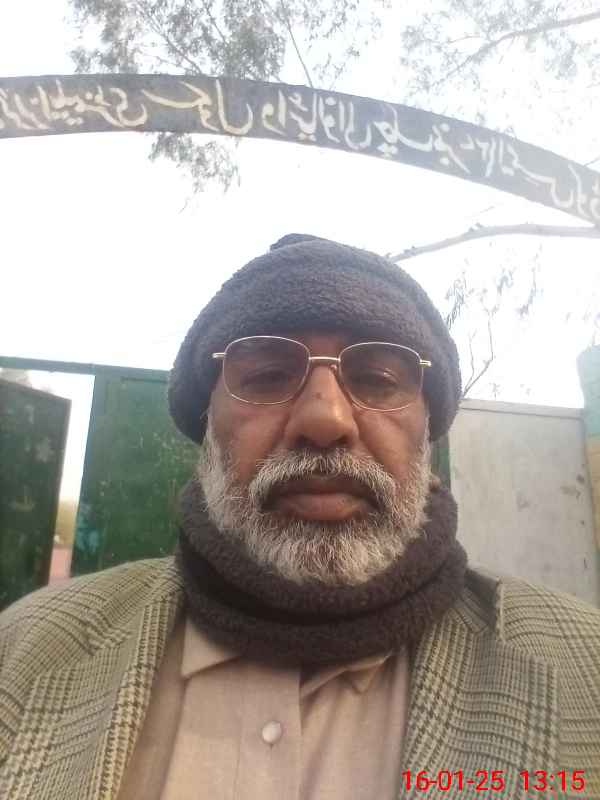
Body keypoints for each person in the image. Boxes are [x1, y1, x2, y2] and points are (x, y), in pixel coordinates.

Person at [0, 234, 598, 800]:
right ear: (208, 429)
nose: (325, 419)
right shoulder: (26, 649)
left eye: (377, 379)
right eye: (266, 377)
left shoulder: (585, 670)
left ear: (426, 433)